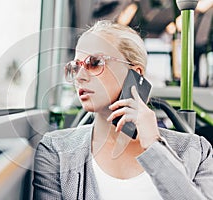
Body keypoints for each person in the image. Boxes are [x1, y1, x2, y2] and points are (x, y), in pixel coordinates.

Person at [32, 20, 213, 200]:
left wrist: (153, 145)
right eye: (76, 66)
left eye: (94, 63)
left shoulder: (196, 150)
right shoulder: (56, 150)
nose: (79, 76)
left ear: (135, 73)